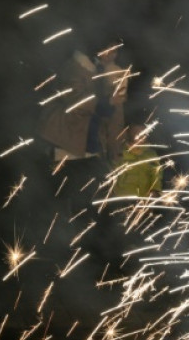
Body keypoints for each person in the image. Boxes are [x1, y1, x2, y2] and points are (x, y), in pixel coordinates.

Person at [37, 43, 128, 217]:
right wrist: (106, 101)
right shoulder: (75, 67)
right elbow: (75, 100)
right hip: (66, 144)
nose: (112, 55)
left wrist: (116, 152)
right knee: (63, 203)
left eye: (115, 51)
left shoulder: (111, 74)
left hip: (91, 149)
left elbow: (116, 118)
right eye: (109, 50)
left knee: (97, 200)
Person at [112, 123, 162, 199]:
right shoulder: (120, 153)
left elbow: (157, 174)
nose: (140, 135)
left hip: (144, 198)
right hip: (123, 198)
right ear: (129, 133)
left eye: (143, 132)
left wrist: (155, 190)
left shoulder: (151, 154)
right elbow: (113, 174)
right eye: (136, 132)